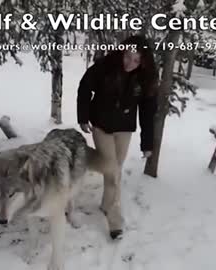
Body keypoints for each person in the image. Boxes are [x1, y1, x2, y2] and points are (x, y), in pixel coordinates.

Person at [77, 35, 158, 240]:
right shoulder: (105, 66)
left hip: (124, 128)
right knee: (112, 170)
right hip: (101, 126)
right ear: (122, 52)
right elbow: (85, 87)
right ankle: (115, 221)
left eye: (137, 60)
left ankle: (106, 204)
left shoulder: (145, 78)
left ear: (144, 62)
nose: (130, 63)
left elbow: (149, 112)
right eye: (128, 57)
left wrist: (147, 143)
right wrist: (83, 117)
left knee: (115, 169)